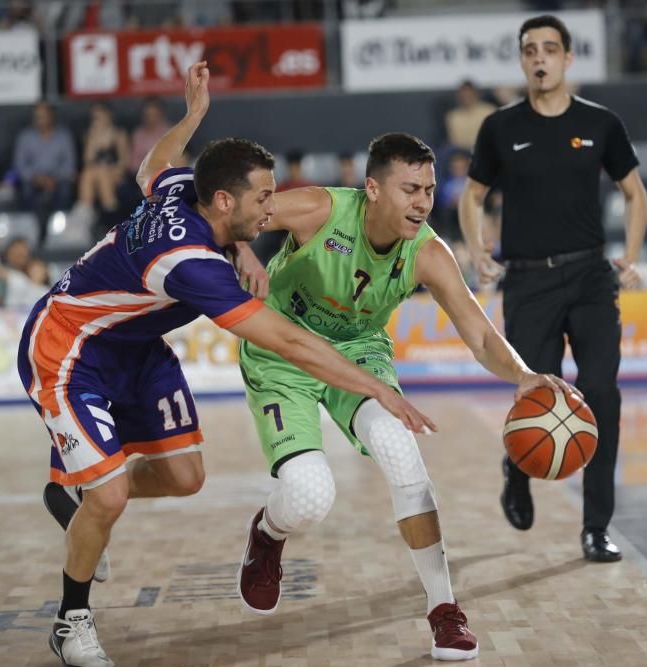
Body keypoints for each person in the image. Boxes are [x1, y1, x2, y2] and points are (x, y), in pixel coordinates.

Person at [17, 62, 434, 667]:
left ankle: (79, 498)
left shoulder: (184, 188)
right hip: (68, 347)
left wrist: (194, 121)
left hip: (134, 345)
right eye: (263, 199)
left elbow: (149, 166)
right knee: (109, 496)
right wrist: (380, 389)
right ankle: (71, 619)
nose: (273, 210)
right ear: (223, 199)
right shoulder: (190, 264)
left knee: (186, 477)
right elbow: (289, 343)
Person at [234, 132, 574, 661]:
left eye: (430, 190)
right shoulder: (319, 209)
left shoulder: (428, 253)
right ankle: (269, 532)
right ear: (372, 189)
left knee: (400, 447)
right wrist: (241, 251)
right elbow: (232, 213)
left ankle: (444, 609)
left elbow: (481, 335)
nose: (422, 202)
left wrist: (523, 375)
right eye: (409, 188)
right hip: (283, 349)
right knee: (307, 498)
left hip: (357, 351)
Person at [459, 15, 647, 563]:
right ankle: (516, 474)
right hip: (528, 281)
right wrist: (476, 249)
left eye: (549, 49)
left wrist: (630, 256)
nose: (539, 58)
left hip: (590, 276)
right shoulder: (499, 127)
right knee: (536, 393)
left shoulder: (602, 123)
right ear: (522, 61)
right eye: (529, 50)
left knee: (602, 395)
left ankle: (596, 527)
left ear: (568, 58)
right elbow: (472, 197)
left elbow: (635, 193)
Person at [14, 101, 77, 215]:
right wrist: (37, 178)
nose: (40, 119)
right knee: (25, 190)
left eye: (43, 116)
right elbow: (20, 165)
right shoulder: (25, 137)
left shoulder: (64, 136)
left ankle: (59, 227)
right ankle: (31, 228)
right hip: (33, 179)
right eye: (37, 116)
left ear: (51, 116)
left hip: (58, 179)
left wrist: (54, 179)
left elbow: (69, 165)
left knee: (65, 190)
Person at [0, 235, 50, 309]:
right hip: (10, 315)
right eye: (34, 270)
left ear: (45, 274)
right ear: (29, 271)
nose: (37, 273)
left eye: (40, 271)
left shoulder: (46, 291)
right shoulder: (19, 279)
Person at [445, 80, 496, 151]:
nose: (466, 97)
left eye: (469, 93)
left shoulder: (488, 110)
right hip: (462, 153)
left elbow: (494, 136)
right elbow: (454, 141)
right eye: (463, 94)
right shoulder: (453, 116)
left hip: (485, 150)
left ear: (476, 94)